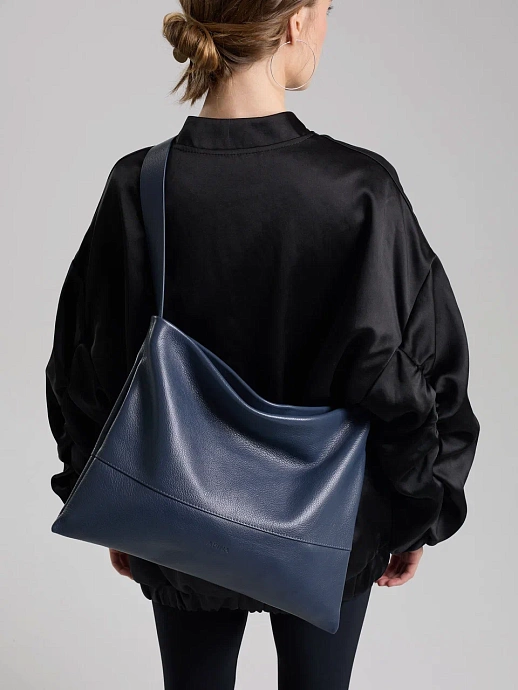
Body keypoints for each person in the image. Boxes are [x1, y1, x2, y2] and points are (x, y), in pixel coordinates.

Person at [44, 1, 481, 688]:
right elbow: (411, 374)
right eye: (327, 8)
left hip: (178, 517)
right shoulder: (360, 191)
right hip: (335, 526)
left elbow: (87, 367)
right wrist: (416, 508)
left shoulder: (141, 187)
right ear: (296, 21)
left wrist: (109, 498)